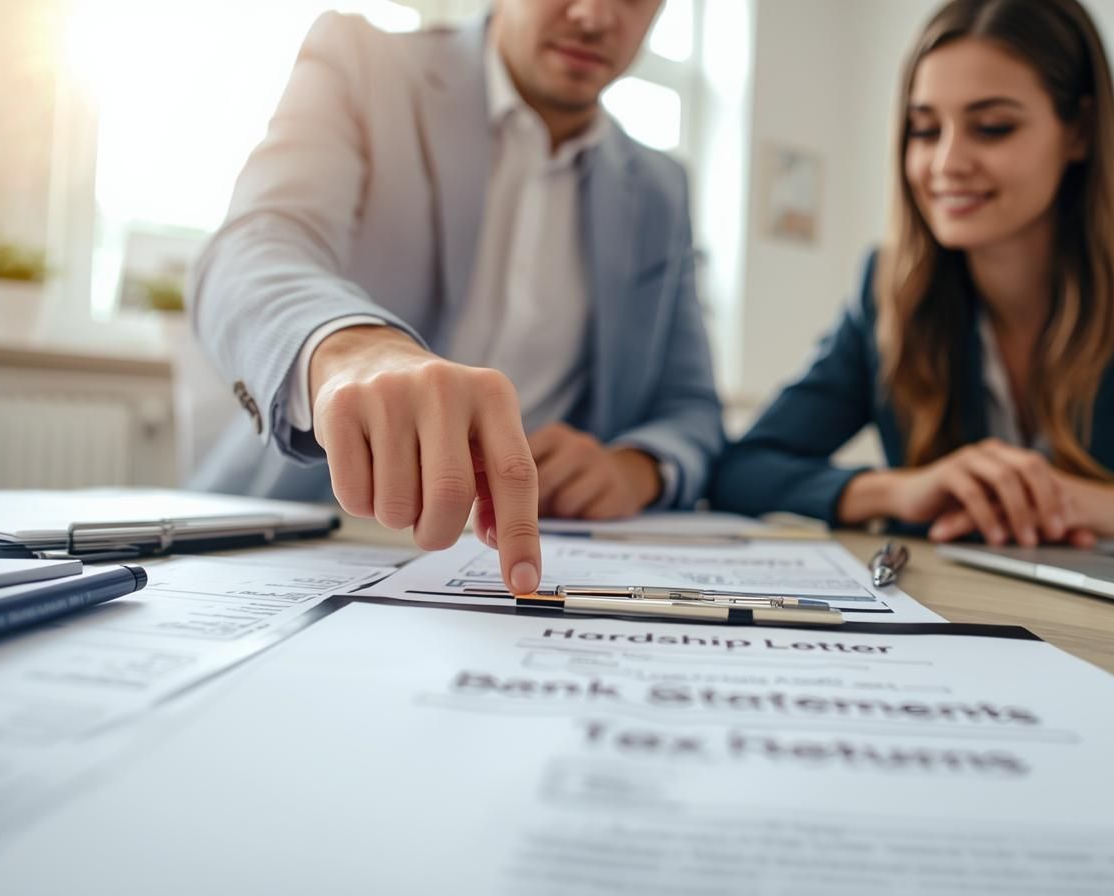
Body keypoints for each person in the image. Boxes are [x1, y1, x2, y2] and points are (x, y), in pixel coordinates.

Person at [187, 0, 724, 594]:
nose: (596, 16)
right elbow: (252, 246)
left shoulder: (661, 189)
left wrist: (637, 466)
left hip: (524, 570)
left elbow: (692, 407)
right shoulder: (364, 65)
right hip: (305, 539)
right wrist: (353, 347)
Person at [711, 0, 1114, 549]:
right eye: (924, 129)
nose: (946, 164)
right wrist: (901, 490)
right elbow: (744, 471)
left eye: (991, 127)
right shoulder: (890, 290)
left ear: (1080, 132)